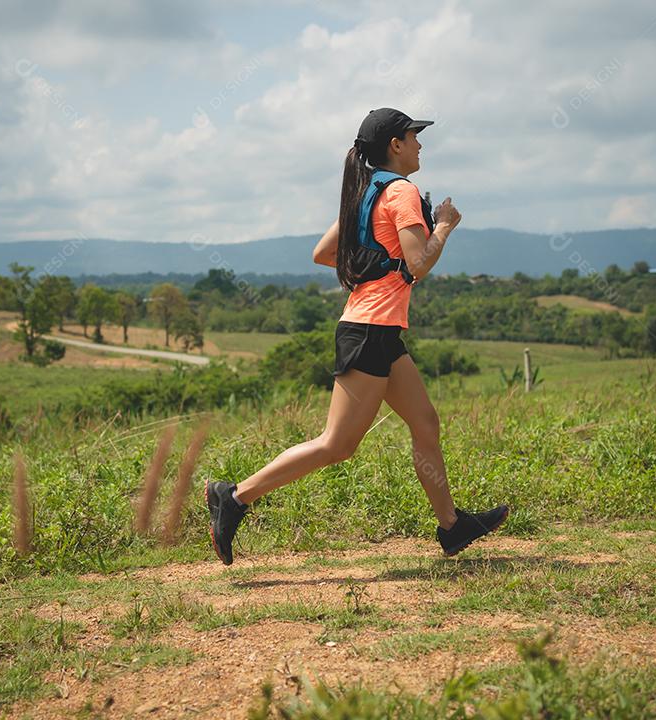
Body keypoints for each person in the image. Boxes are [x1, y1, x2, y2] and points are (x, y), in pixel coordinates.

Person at [205, 108, 508, 565]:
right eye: (414, 136)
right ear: (395, 145)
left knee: (425, 423)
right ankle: (234, 497)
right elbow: (419, 264)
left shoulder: (365, 192)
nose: (420, 144)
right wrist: (444, 225)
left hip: (377, 330)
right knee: (337, 444)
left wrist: (372, 266)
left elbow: (323, 253)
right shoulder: (401, 191)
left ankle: (452, 526)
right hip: (369, 330)